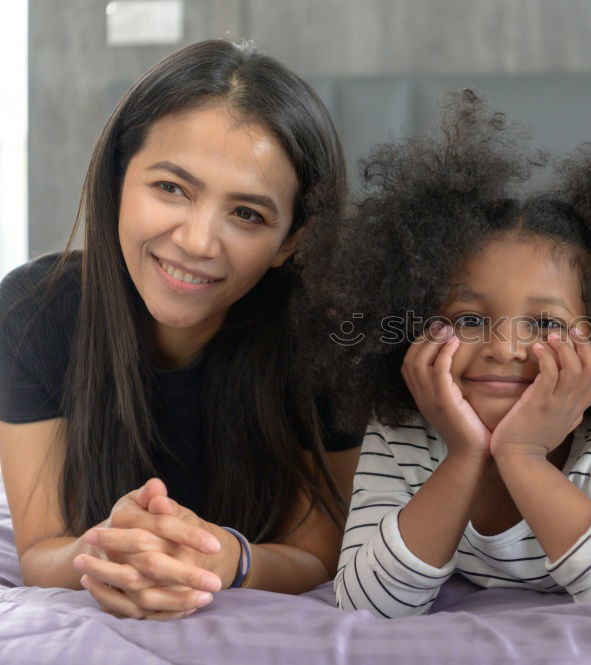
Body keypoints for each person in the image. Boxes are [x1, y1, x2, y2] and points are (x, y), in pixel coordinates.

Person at [296, 91, 591, 617]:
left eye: (546, 324)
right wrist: (464, 455)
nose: (505, 349)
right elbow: (367, 604)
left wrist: (523, 457)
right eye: (469, 320)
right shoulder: (402, 435)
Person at [0, 40, 361, 620]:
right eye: (171, 187)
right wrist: (114, 550)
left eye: (247, 214)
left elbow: (318, 549)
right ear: (118, 177)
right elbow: (42, 550)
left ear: (291, 240)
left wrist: (225, 560)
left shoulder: (328, 336)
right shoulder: (30, 313)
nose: (196, 242)